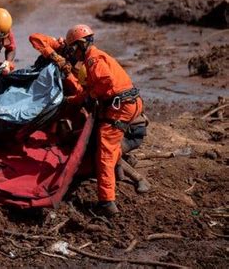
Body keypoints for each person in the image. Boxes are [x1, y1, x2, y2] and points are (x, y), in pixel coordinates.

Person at [30, 25, 144, 216]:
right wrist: (56, 57)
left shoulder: (92, 61)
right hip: (127, 104)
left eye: (74, 48)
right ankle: (122, 171)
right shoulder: (86, 54)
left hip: (119, 108)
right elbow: (35, 37)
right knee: (107, 142)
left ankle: (107, 203)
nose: (72, 53)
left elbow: (104, 82)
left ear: (81, 45)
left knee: (104, 153)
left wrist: (91, 93)